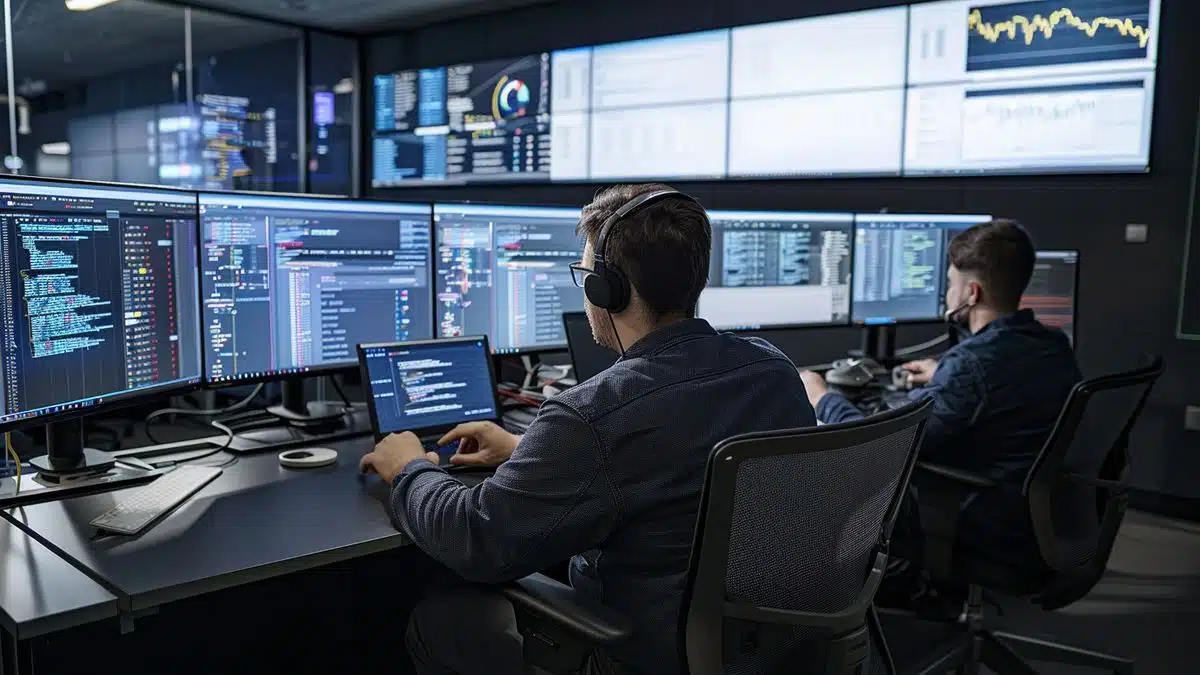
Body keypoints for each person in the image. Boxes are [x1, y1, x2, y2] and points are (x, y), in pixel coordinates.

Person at [360, 183, 816, 675]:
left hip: (638, 656)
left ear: (608, 290)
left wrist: (408, 468)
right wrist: (523, 450)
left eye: (586, 276)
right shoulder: (772, 370)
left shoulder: (592, 415)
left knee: (442, 614)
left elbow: (478, 538)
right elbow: (678, 464)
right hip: (762, 647)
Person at [799, 219, 1081, 577]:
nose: (947, 294)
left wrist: (821, 396)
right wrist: (945, 370)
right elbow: (998, 380)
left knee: (834, 480)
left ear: (971, 293)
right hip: (1043, 514)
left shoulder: (972, 367)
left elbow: (878, 446)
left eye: (950, 284)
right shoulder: (1052, 345)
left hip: (984, 520)